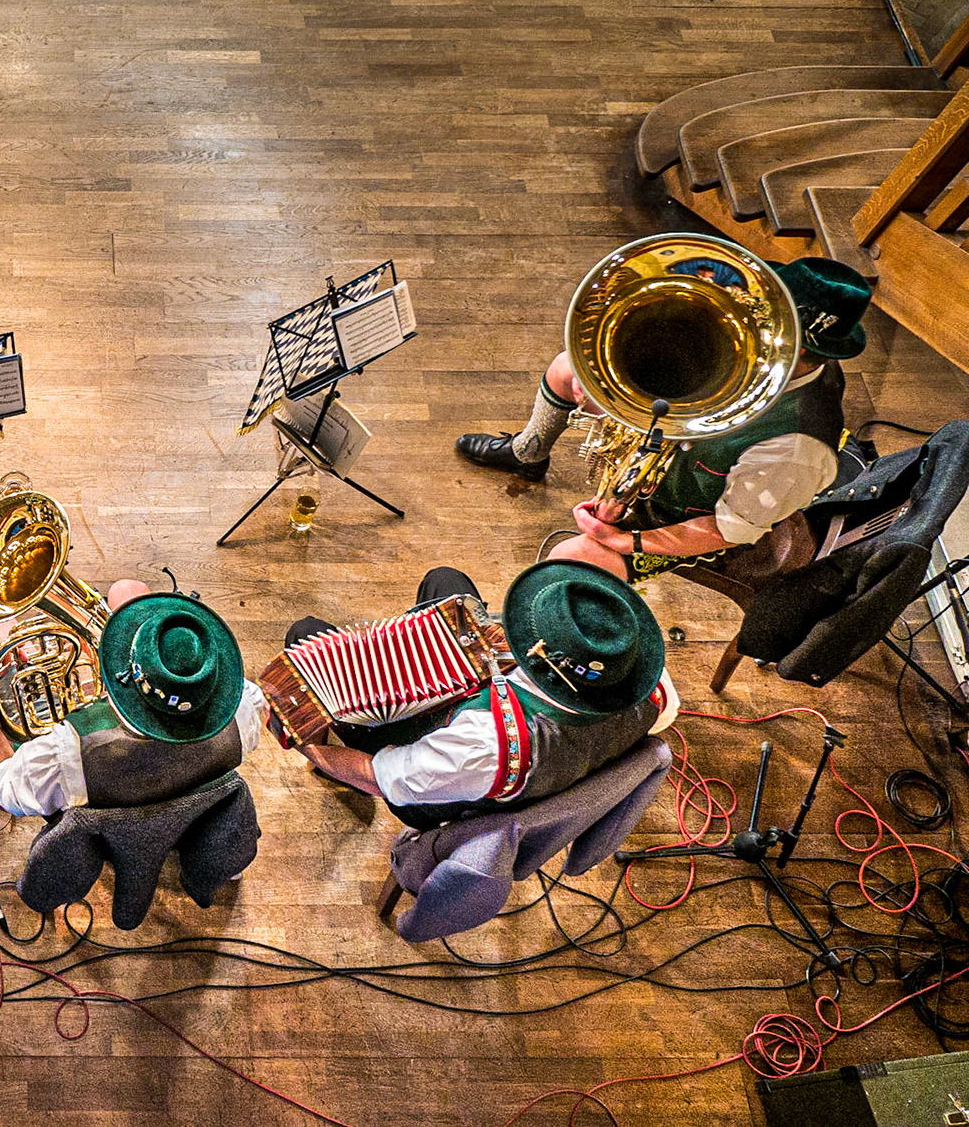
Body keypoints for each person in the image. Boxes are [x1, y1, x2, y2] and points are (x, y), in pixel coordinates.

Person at [454, 256, 871, 582]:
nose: (747, 321)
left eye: (763, 320)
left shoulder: (798, 449)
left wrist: (624, 539)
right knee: (569, 368)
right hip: (673, 436)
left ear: (795, 350)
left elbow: (732, 529)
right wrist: (601, 388)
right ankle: (528, 454)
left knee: (570, 559)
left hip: (680, 513)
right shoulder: (753, 351)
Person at [293, 563, 677, 830]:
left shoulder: (482, 745)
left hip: (449, 786)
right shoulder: (642, 675)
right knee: (446, 582)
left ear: (538, 657)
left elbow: (380, 778)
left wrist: (308, 746)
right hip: (522, 742)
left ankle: (337, 761)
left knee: (306, 633)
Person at [0, 578, 266, 818]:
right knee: (128, 590)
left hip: (98, 788)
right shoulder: (246, 704)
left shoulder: (61, 757)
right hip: (185, 793)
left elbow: (2, 790)